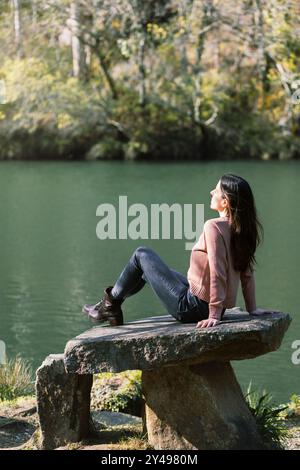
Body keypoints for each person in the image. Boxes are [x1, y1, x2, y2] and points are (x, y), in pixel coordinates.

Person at [82, 174, 277, 328]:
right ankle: (110, 306)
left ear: (225, 202)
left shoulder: (214, 227)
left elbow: (218, 272)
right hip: (203, 300)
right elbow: (247, 274)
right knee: (148, 270)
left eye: (216, 191)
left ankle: (109, 305)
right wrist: (252, 309)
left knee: (141, 254)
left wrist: (214, 315)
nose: (211, 192)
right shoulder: (242, 228)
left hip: (191, 308)